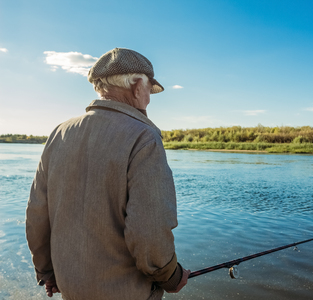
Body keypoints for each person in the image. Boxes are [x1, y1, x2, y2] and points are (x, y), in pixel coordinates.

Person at [26, 48, 190, 299]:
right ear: (136, 86)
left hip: (71, 289)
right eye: (149, 90)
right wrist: (170, 276)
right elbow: (149, 230)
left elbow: (37, 215)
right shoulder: (144, 137)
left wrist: (48, 272)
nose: (148, 98)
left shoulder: (59, 133)